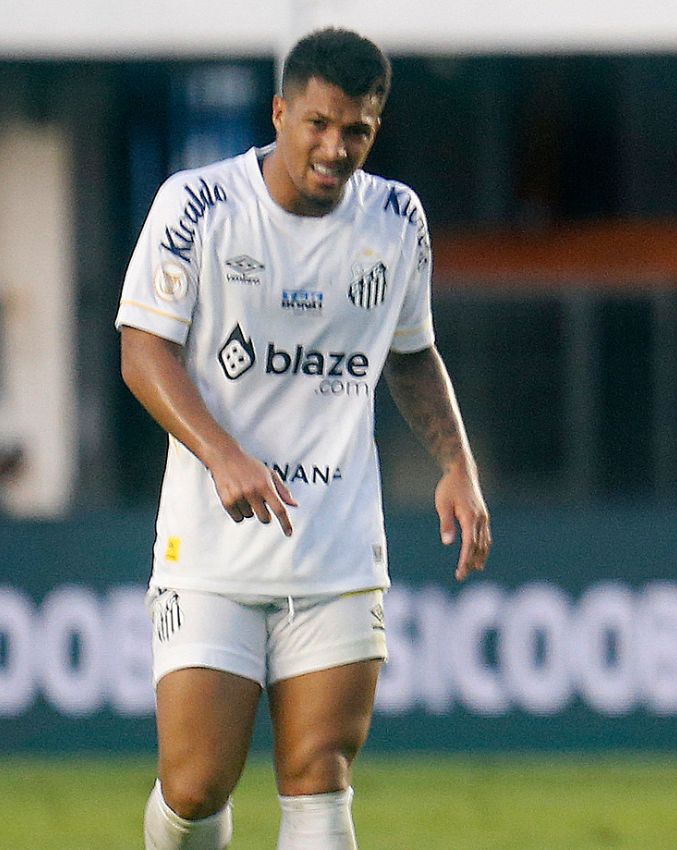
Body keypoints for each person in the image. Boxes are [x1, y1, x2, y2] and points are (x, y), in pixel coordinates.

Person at [116, 27, 491, 850]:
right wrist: (223, 455)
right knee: (195, 787)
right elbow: (143, 350)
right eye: (318, 124)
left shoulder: (396, 220)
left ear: (374, 131)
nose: (334, 147)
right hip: (214, 546)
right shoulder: (198, 206)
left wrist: (457, 463)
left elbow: (413, 353)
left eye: (355, 130)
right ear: (281, 112)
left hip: (337, 548)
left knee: (319, 775)